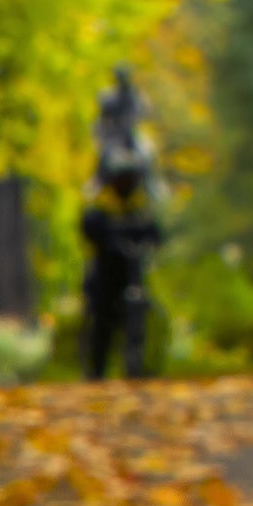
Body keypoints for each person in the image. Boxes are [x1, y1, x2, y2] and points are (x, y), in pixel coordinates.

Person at [77, 147, 163, 381]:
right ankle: (96, 374)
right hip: (104, 280)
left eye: (130, 179)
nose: (126, 184)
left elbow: (154, 235)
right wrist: (110, 243)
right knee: (100, 329)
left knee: (140, 321)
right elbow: (89, 231)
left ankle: (137, 367)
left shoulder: (138, 210)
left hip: (132, 276)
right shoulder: (101, 208)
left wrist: (147, 244)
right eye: (122, 179)